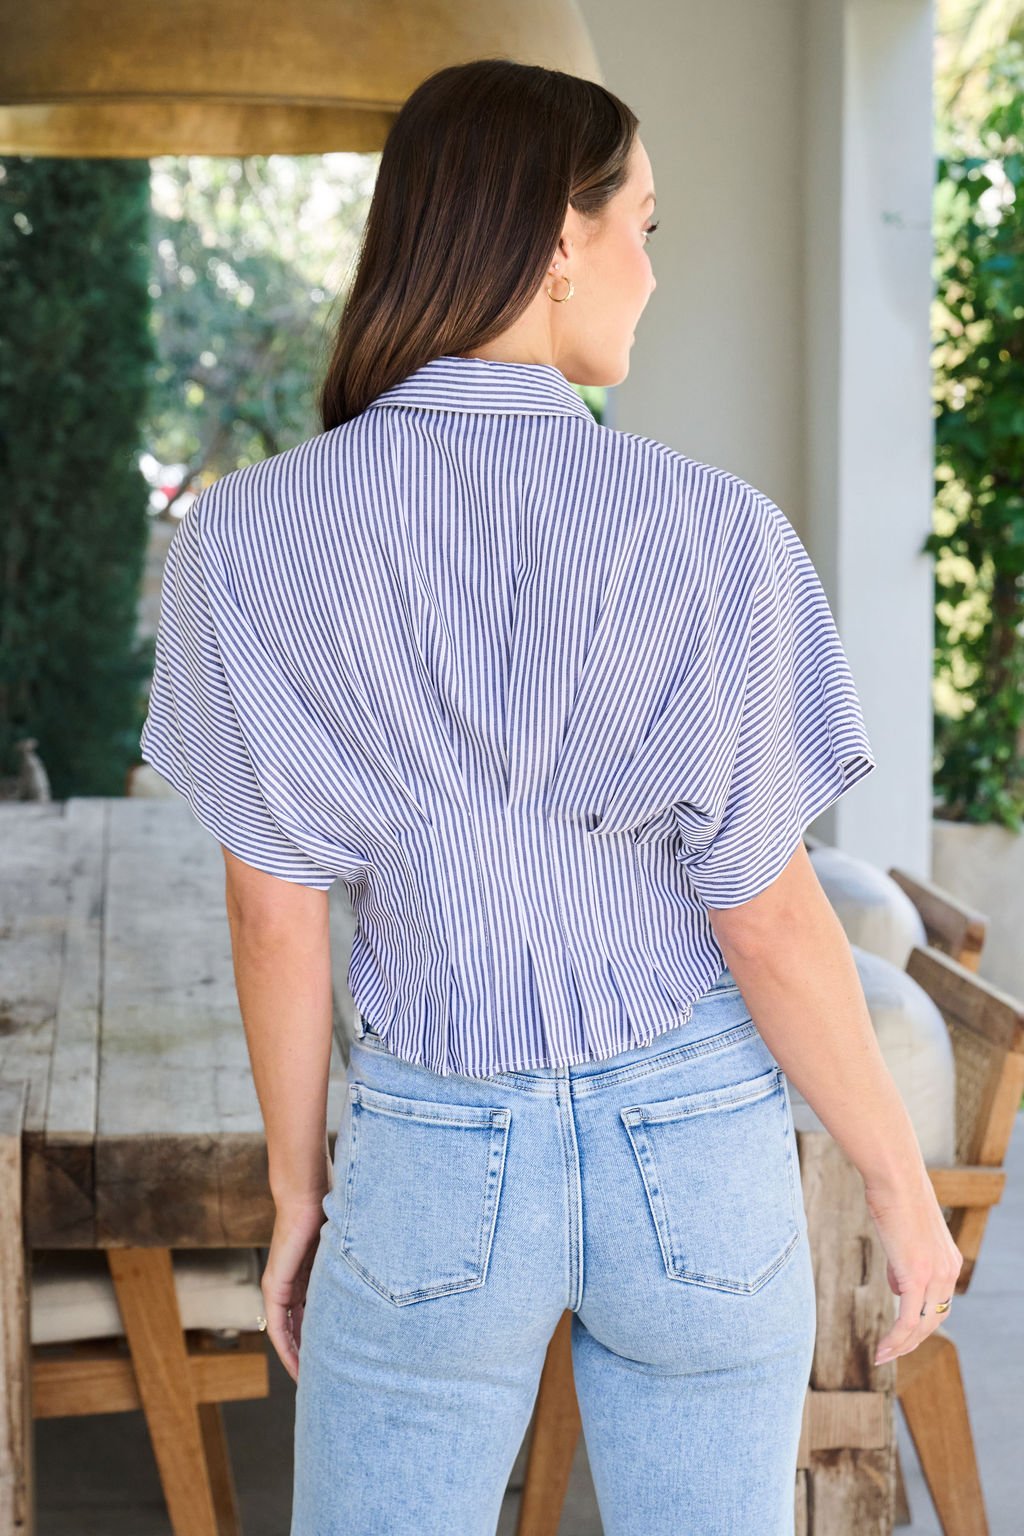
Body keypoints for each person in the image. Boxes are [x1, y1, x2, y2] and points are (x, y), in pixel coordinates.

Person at [139, 56, 962, 1536]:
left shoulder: (244, 539)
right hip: (696, 1148)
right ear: (560, 239)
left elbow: (274, 914)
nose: (651, 269)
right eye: (645, 224)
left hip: (435, 1155)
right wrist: (902, 1188)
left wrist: (300, 1193)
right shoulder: (715, 533)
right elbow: (768, 920)